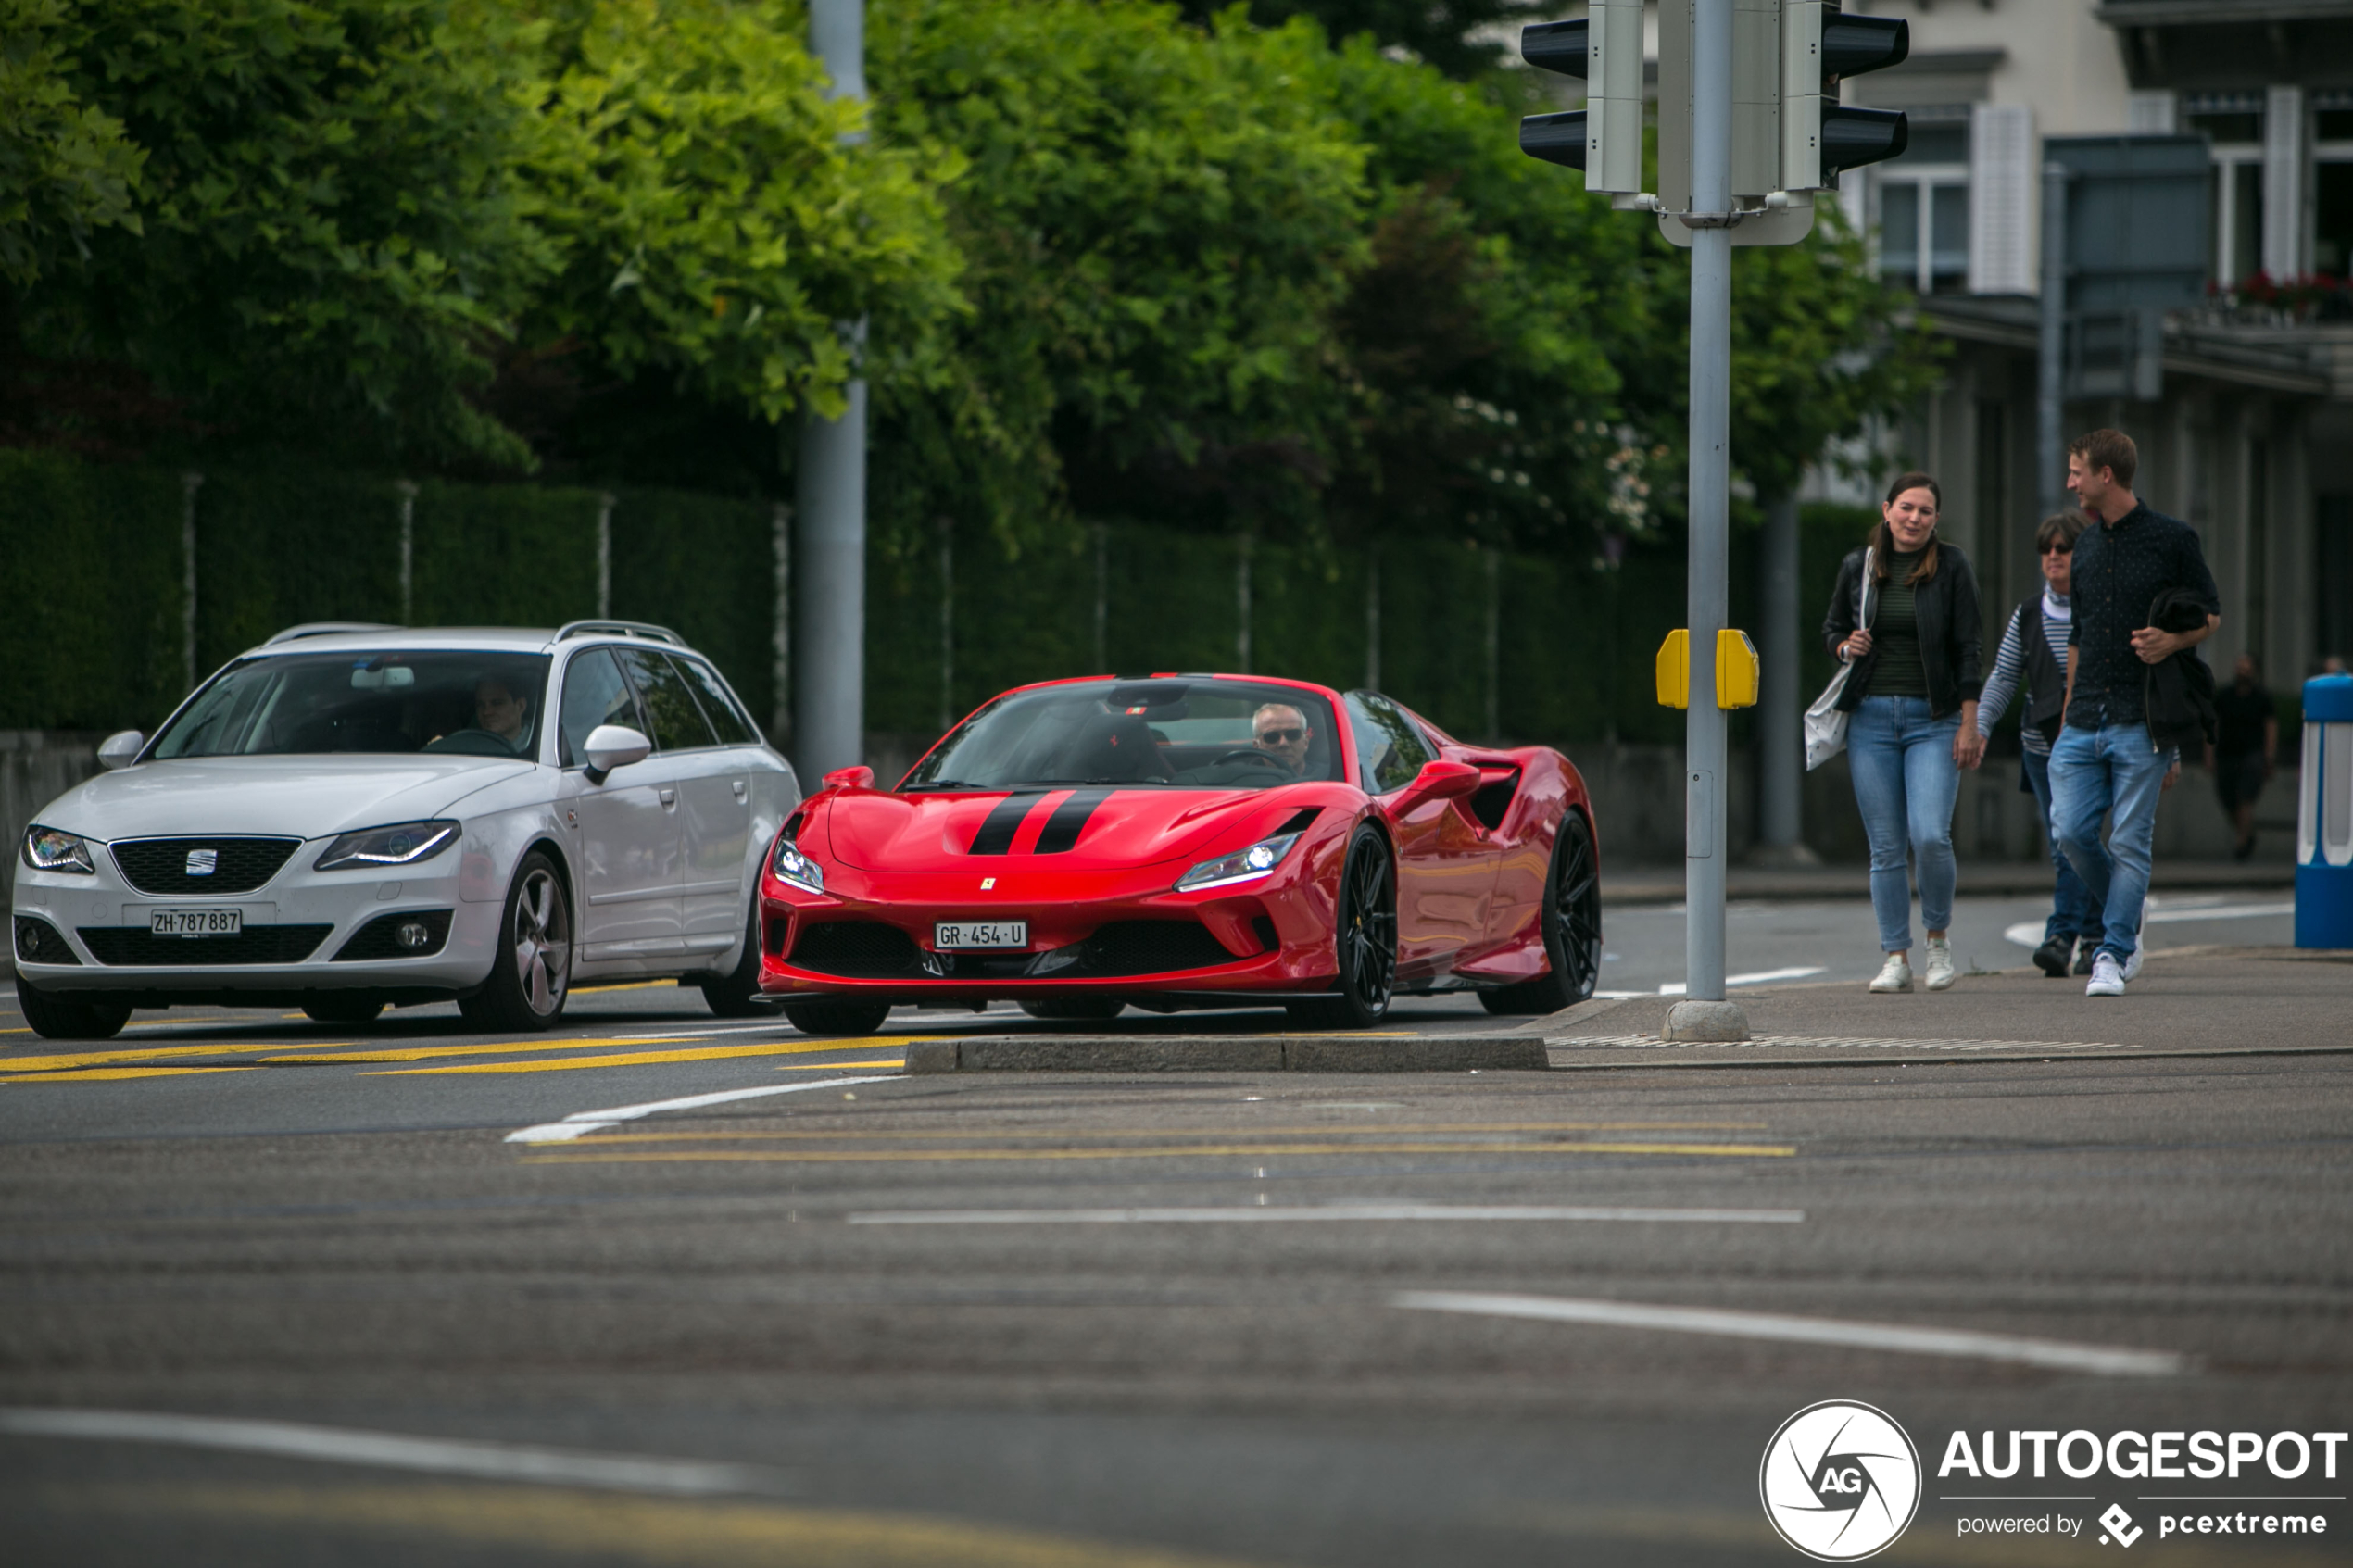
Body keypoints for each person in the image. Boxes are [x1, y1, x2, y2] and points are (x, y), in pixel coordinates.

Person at [2052, 429, 2220, 997]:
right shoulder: (2087, 546)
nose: (2070, 482)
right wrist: (2070, 704)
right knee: (2070, 832)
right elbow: (2077, 635)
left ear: (2106, 475)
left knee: (2130, 842)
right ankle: (2127, 908)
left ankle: (2112, 952)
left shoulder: (2173, 538)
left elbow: (2212, 617)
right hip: (2083, 718)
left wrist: (2172, 641)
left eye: (2077, 471)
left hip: (2142, 717)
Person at [1821, 471, 1983, 994]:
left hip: (1933, 721)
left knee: (1931, 835)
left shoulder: (1952, 566)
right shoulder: (1860, 566)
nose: (1914, 519)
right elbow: (1830, 630)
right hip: (1870, 720)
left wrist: (1969, 720)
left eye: (1926, 511)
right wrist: (1846, 647)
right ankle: (1896, 957)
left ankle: (1937, 940)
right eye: (1906, 508)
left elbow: (1969, 647)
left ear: (1936, 519)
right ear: (1887, 509)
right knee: (1886, 846)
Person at [1975, 510, 2098, 977]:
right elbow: (2005, 675)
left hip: (2090, 743)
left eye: (2062, 549)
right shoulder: (2028, 614)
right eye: (2046, 549)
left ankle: (2063, 934)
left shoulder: (2099, 610)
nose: (2052, 557)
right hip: (2041, 744)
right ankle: (2093, 938)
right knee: (2064, 840)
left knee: (2076, 837)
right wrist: (1980, 726)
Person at [2208, 653, 2277, 860]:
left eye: (2246, 668)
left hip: (2252, 756)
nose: (2242, 671)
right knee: (2228, 799)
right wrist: (2209, 754)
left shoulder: (2262, 698)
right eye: (2240, 667)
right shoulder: (2224, 696)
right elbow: (2213, 726)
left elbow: (2271, 728)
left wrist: (2269, 757)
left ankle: (2241, 843)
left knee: (2245, 799)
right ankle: (2247, 833)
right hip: (2227, 755)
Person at [473, 675, 533, 751]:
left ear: (520, 706)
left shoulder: (542, 746)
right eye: (480, 704)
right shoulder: (467, 747)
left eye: (497, 703)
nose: (486, 712)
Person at [1252, 702, 1313, 775]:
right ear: (1257, 746)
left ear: (1306, 742)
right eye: (1272, 737)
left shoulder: (1325, 778)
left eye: (1293, 734)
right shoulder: (1243, 782)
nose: (1283, 743)